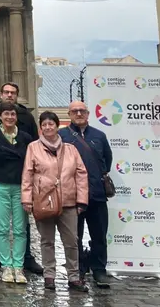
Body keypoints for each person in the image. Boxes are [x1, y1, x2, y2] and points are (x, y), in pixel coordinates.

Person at [22, 111, 89, 292]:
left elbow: (81, 175)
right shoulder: (33, 148)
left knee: (72, 241)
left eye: (51, 124)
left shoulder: (71, 149)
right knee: (47, 241)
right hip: (44, 201)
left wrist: (81, 200)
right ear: (40, 127)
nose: (48, 127)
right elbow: (27, 175)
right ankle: (49, 276)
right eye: (44, 124)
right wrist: (27, 199)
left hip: (68, 201)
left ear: (57, 126)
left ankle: (73, 276)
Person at [0, 82, 43, 274]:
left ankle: (22, 260)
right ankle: (1, 259)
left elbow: (34, 152)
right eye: (6, 92)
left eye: (13, 93)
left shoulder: (27, 127)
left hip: (20, 184)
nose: (10, 95)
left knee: (21, 226)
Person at [59, 101, 113, 288]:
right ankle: (79, 269)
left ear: (88, 114)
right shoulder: (62, 135)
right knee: (75, 236)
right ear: (69, 114)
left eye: (82, 111)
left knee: (99, 234)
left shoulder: (99, 136)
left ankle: (99, 270)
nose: (79, 113)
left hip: (96, 194)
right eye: (75, 111)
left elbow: (107, 160)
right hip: (72, 196)